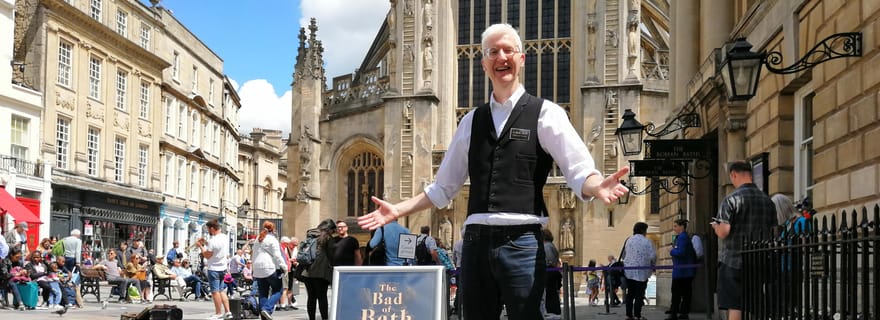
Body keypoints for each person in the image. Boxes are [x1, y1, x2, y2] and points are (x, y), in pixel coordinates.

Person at [357, 23, 629, 320]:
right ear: (484, 63)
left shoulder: (547, 114)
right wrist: (397, 209)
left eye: (508, 50)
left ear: (521, 58)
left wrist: (598, 186)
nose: (501, 57)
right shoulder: (471, 121)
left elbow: (578, 170)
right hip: (475, 242)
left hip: (522, 242)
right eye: (493, 52)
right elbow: (442, 188)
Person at [712, 161, 776, 320]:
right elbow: (774, 232)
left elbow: (724, 232)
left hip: (734, 260)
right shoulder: (767, 200)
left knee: (735, 305)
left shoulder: (731, 199)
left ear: (733, 174)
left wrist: (715, 227)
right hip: (760, 260)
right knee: (756, 303)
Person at [252, 221, 288, 320]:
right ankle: (267, 309)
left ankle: (264, 315)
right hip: (269, 268)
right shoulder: (272, 239)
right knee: (278, 290)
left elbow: (254, 254)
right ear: (273, 230)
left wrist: (253, 269)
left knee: (263, 293)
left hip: (257, 269)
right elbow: (277, 255)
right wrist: (284, 267)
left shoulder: (258, 239)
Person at [198, 219, 233, 320]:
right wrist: (205, 242)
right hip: (223, 267)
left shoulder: (213, 240)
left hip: (214, 268)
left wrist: (201, 246)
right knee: (222, 290)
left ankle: (218, 313)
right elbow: (216, 247)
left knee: (215, 292)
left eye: (209, 229)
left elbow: (207, 255)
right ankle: (228, 312)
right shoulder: (224, 237)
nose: (208, 231)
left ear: (212, 229)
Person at [302, 219, 336, 320]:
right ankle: (324, 318)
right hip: (320, 272)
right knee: (322, 297)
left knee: (311, 297)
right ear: (330, 229)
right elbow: (331, 256)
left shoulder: (311, 235)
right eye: (333, 230)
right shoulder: (327, 238)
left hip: (307, 271)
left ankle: (311, 318)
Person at [622, 222, 656, 320]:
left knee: (630, 294)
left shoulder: (628, 240)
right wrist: (652, 263)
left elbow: (624, 255)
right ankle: (637, 315)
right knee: (639, 294)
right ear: (643, 230)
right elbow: (653, 256)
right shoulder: (647, 242)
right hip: (642, 272)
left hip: (629, 271)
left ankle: (629, 315)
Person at [667, 219, 697, 320]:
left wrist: (671, 251)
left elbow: (681, 252)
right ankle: (683, 312)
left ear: (682, 227)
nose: (674, 228)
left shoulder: (683, 237)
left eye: (676, 226)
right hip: (683, 271)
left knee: (677, 293)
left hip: (682, 271)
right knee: (685, 293)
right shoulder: (681, 237)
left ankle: (675, 313)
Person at [542, 229, 562, 316]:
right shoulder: (550, 245)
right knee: (552, 293)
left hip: (549, 272)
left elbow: (549, 260)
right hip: (552, 272)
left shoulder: (547, 246)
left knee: (550, 293)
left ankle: (552, 311)